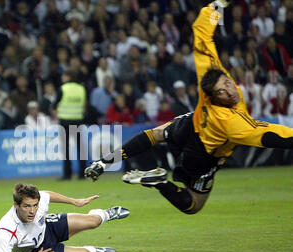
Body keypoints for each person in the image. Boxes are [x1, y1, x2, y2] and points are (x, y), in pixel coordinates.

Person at [84, 1, 293, 215]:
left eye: (228, 84)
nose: (230, 91)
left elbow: (201, 32)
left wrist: (217, 5)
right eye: (222, 91)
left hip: (190, 124)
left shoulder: (211, 74)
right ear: (212, 97)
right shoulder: (232, 121)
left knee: (156, 134)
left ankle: (104, 162)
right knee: (193, 205)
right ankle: (158, 182)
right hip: (203, 152)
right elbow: (268, 133)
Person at [0, 183, 129, 252]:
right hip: (37, 251)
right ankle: (97, 251)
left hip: (48, 227)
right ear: (16, 205)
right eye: (26, 206)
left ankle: (104, 214)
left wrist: (75, 202)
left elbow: (47, 195)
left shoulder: (37, 203)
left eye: (35, 205)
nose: (32, 211)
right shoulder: (6, 229)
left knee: (94, 221)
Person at [55, 70, 88, 180]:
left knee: (65, 149)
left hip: (65, 121)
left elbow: (55, 103)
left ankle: (67, 174)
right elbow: (84, 105)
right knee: (80, 148)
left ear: (68, 76)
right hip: (78, 120)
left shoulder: (63, 88)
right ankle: (83, 173)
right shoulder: (81, 89)